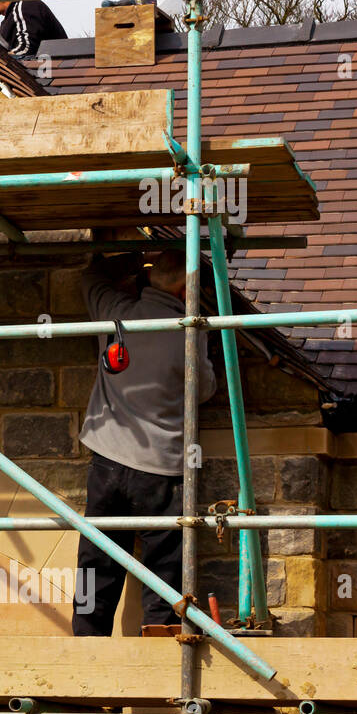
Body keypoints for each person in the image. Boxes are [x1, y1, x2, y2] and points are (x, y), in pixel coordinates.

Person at [73, 250, 215, 637]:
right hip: (160, 468)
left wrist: (137, 258)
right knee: (165, 565)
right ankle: (158, 640)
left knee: (95, 561)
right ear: (186, 288)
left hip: (107, 461)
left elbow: (92, 274)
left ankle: (86, 642)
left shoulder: (115, 311)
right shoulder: (190, 328)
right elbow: (203, 390)